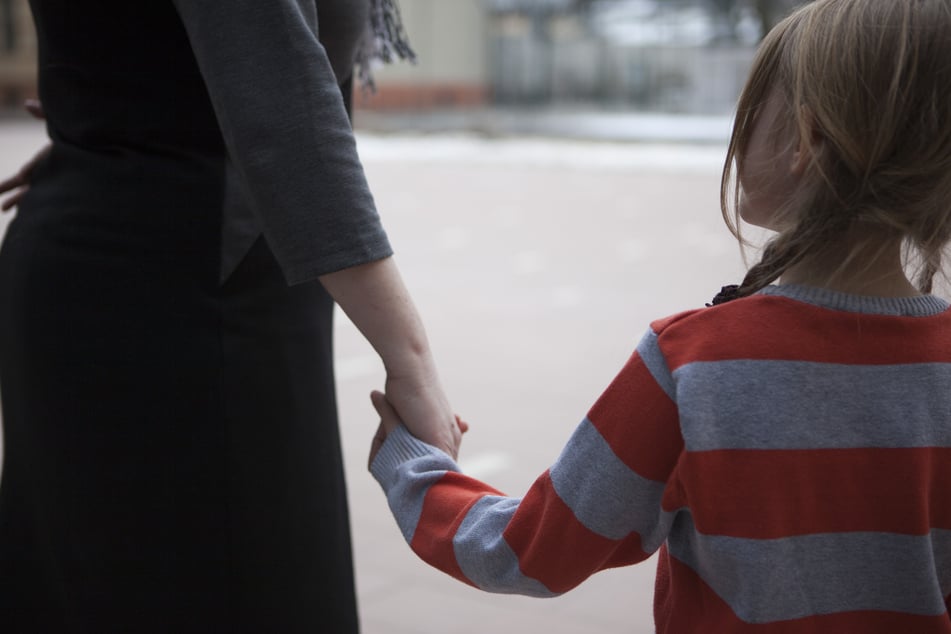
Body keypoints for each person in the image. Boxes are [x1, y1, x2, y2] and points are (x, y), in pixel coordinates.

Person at [367, 1, 951, 631]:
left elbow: (526, 551)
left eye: (751, 111)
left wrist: (413, 465)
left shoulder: (695, 363)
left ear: (805, 141)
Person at [0, 1, 461, 633]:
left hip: (172, 269)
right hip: (182, 297)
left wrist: (112, 114)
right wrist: (413, 364)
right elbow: (282, 98)